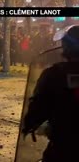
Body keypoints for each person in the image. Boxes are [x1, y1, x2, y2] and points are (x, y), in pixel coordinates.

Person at [22, 25, 79, 162]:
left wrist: (29, 123)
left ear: (66, 47)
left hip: (63, 148)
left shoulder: (54, 74)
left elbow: (38, 108)